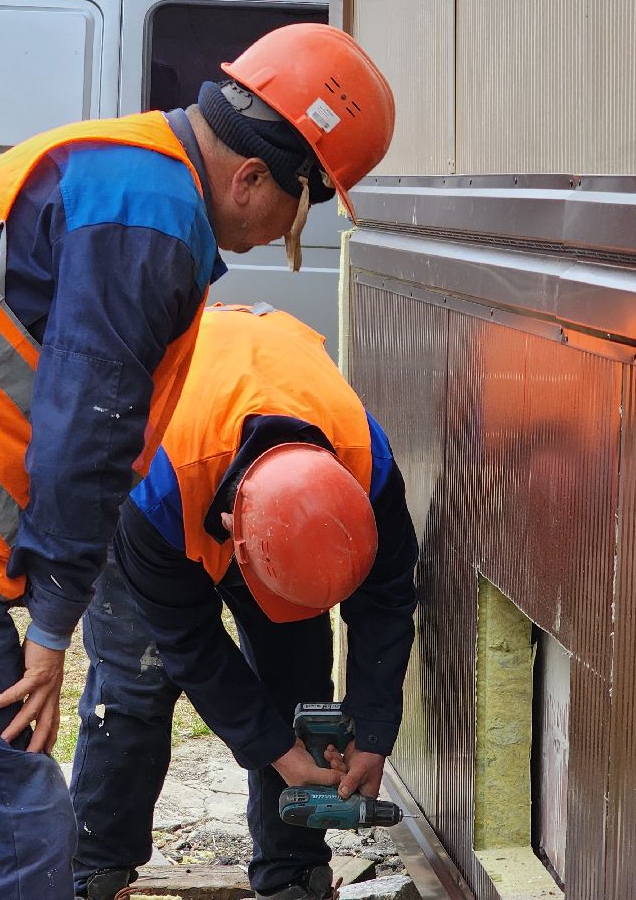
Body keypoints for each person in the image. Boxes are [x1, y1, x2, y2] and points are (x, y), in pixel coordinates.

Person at [0, 24, 395, 899]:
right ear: (253, 176)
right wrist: (55, 628)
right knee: (11, 841)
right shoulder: (152, 217)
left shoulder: (127, 173)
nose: (296, 229)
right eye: (309, 202)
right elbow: (87, 429)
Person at [69, 304, 419, 900]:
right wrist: (276, 752)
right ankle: (96, 871)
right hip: (164, 479)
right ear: (233, 528)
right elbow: (191, 644)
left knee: (297, 683)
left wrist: (376, 730)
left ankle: (293, 876)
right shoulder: (158, 482)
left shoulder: (369, 467)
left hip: (257, 448)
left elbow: (386, 603)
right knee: (134, 685)